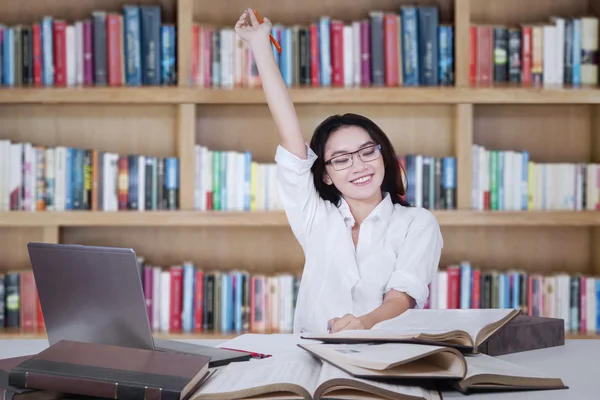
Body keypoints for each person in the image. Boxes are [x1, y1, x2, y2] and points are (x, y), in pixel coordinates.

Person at [234, 9, 443, 334]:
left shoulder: (418, 223)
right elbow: (289, 134)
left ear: (383, 155)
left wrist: (362, 324)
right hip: (313, 357)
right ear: (326, 174)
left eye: (366, 151)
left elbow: (402, 296)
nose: (358, 165)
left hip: (387, 361)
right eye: (341, 158)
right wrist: (260, 45)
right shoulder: (315, 216)